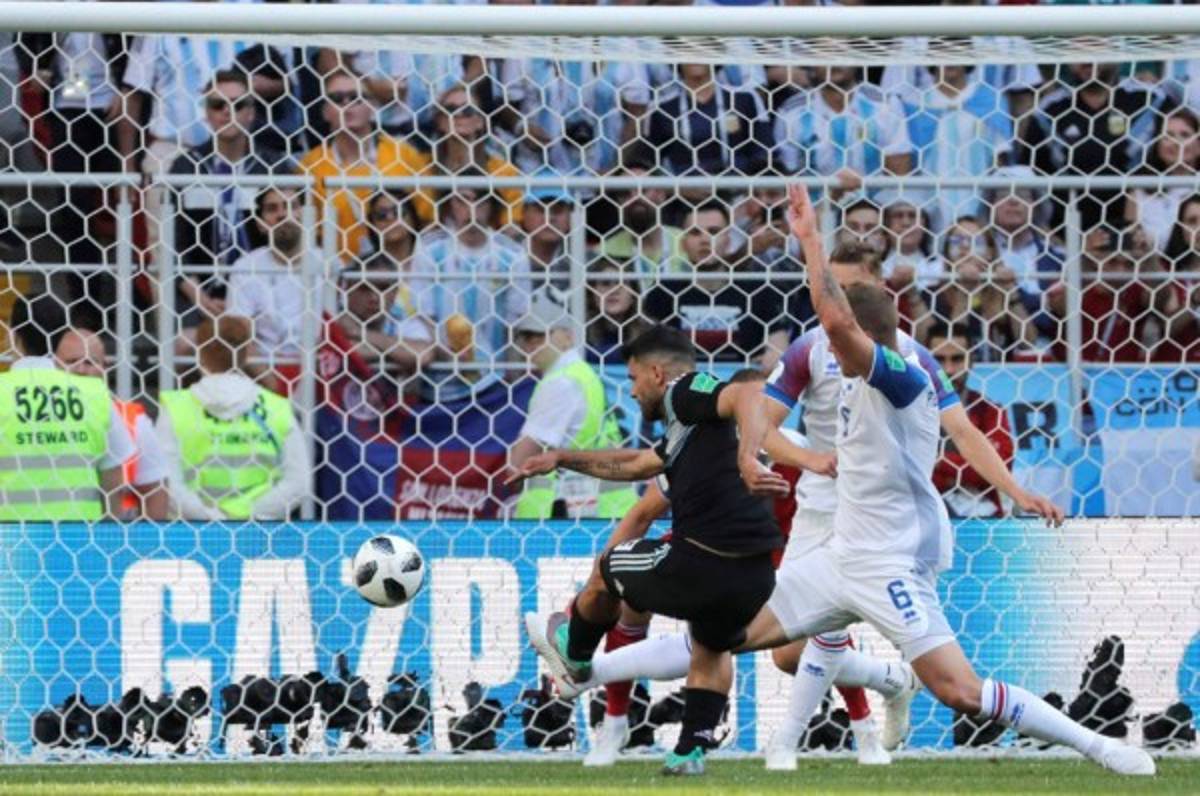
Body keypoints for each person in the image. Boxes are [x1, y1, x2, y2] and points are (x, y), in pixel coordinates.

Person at [757, 187, 1151, 776]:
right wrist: (804, 460)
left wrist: (1014, 490)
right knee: (779, 649)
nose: (826, 304)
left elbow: (963, 431)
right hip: (829, 521)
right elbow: (764, 425)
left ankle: (1098, 746)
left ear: (871, 291)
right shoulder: (812, 350)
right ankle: (876, 686)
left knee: (957, 689)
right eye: (826, 286)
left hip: (889, 540)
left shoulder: (904, 365)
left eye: (838, 290)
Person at [514, 326, 835, 776]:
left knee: (609, 565)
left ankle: (576, 658)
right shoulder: (691, 431)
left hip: (701, 562)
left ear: (657, 373)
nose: (630, 390)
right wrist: (563, 458)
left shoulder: (686, 391)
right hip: (753, 577)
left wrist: (748, 457)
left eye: (632, 378)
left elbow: (749, 390)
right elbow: (641, 464)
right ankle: (690, 751)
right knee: (709, 646)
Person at [580, 370, 892, 769]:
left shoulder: (797, 452)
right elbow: (642, 513)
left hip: (783, 566)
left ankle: (869, 720)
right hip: (709, 556)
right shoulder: (700, 448)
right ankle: (614, 723)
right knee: (636, 606)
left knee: (790, 654)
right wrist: (604, 576)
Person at [170, 69, 294, 324]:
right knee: (185, 345)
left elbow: (289, 238)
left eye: (239, 105)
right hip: (203, 291)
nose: (228, 112)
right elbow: (173, 241)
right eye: (218, 105)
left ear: (252, 112)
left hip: (265, 292)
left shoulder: (274, 166)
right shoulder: (186, 167)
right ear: (207, 113)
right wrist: (196, 294)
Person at [156, 315, 309, 521]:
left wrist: (209, 518)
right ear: (246, 354)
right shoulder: (276, 407)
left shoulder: (177, 407)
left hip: (194, 534)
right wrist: (249, 516)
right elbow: (298, 482)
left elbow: (166, 480)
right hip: (260, 535)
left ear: (200, 354)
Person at [0, 294, 134, 521]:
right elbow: (113, 473)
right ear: (63, 336)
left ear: (13, 335)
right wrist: (110, 528)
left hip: (9, 541)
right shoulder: (94, 394)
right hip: (81, 536)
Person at [509, 295, 638, 521]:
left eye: (540, 335)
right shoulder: (581, 374)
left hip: (564, 513)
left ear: (567, 337)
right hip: (604, 508)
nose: (531, 343)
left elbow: (519, 463)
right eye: (525, 336)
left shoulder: (561, 382)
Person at [297, 67, 429, 262]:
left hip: (400, 272)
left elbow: (427, 219)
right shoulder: (310, 165)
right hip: (338, 276)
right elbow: (309, 235)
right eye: (337, 98)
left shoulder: (404, 154)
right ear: (325, 111)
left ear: (372, 106)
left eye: (356, 97)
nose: (347, 105)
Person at [643, 202, 790, 363]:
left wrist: (775, 357)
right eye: (695, 233)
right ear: (683, 244)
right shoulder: (663, 292)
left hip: (740, 385)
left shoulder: (759, 291)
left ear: (727, 241)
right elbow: (646, 353)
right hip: (682, 385)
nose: (705, 240)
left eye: (713, 232)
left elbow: (779, 349)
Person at [54, 327, 170, 521]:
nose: (81, 370)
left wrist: (147, 548)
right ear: (55, 365)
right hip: (49, 530)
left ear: (104, 368)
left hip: (117, 537)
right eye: (71, 362)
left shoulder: (132, 420)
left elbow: (155, 492)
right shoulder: (40, 417)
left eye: (90, 362)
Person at [226, 186, 323, 385]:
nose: (282, 214)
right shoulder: (245, 267)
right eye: (272, 209)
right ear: (260, 223)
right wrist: (275, 386)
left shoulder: (328, 263)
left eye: (291, 206)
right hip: (265, 371)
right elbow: (239, 338)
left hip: (323, 370)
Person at [926, 323, 1015, 519]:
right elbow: (905, 473)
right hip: (923, 515)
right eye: (939, 360)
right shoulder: (908, 409)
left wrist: (936, 460)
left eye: (957, 359)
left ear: (972, 361)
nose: (948, 370)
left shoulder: (991, 410)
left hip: (982, 517)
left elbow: (1000, 469)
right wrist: (974, 458)